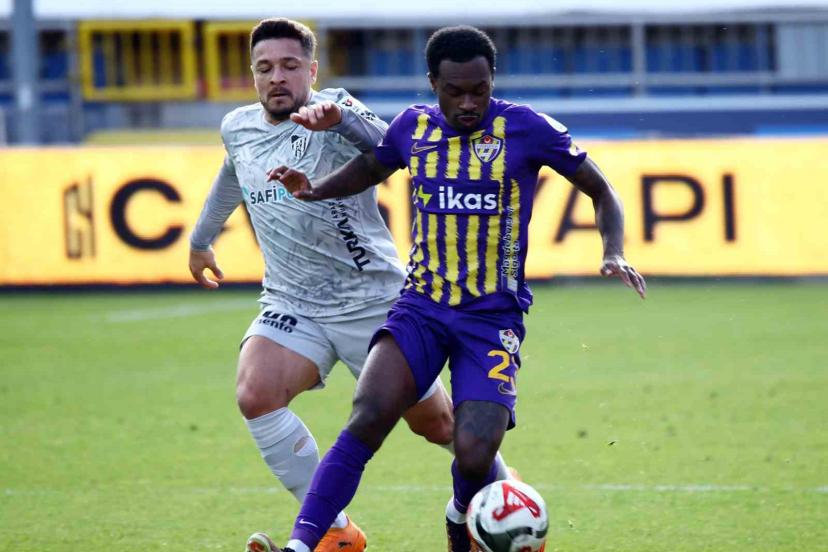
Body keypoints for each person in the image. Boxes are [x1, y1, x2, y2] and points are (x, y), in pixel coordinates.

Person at [261, 25, 647, 552]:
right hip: (421, 309)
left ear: (492, 82)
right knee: (368, 417)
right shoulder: (412, 127)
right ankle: (302, 545)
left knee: (474, 453)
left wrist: (614, 250)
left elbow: (601, 189)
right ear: (433, 84)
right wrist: (315, 190)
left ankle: (460, 513)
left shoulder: (527, 129)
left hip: (491, 318)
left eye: (479, 90)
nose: (468, 103)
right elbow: (373, 165)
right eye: (455, 91)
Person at [188, 18, 510, 552]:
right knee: (255, 394)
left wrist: (339, 122)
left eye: (290, 66)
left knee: (438, 425)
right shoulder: (238, 127)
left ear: (312, 71)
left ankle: (507, 502)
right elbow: (233, 174)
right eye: (264, 68)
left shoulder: (336, 107)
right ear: (253, 74)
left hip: (372, 301)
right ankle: (337, 533)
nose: (277, 77)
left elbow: (396, 146)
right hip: (293, 301)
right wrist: (201, 240)